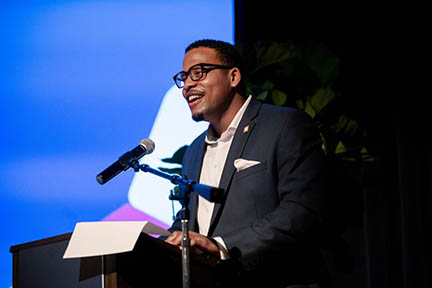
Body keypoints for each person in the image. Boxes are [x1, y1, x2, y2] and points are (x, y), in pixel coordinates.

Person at [164, 39, 330, 287]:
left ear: (233, 77)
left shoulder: (284, 125)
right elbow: (195, 220)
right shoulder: (194, 150)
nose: (187, 85)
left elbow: (301, 209)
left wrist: (222, 247)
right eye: (184, 77)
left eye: (198, 73)